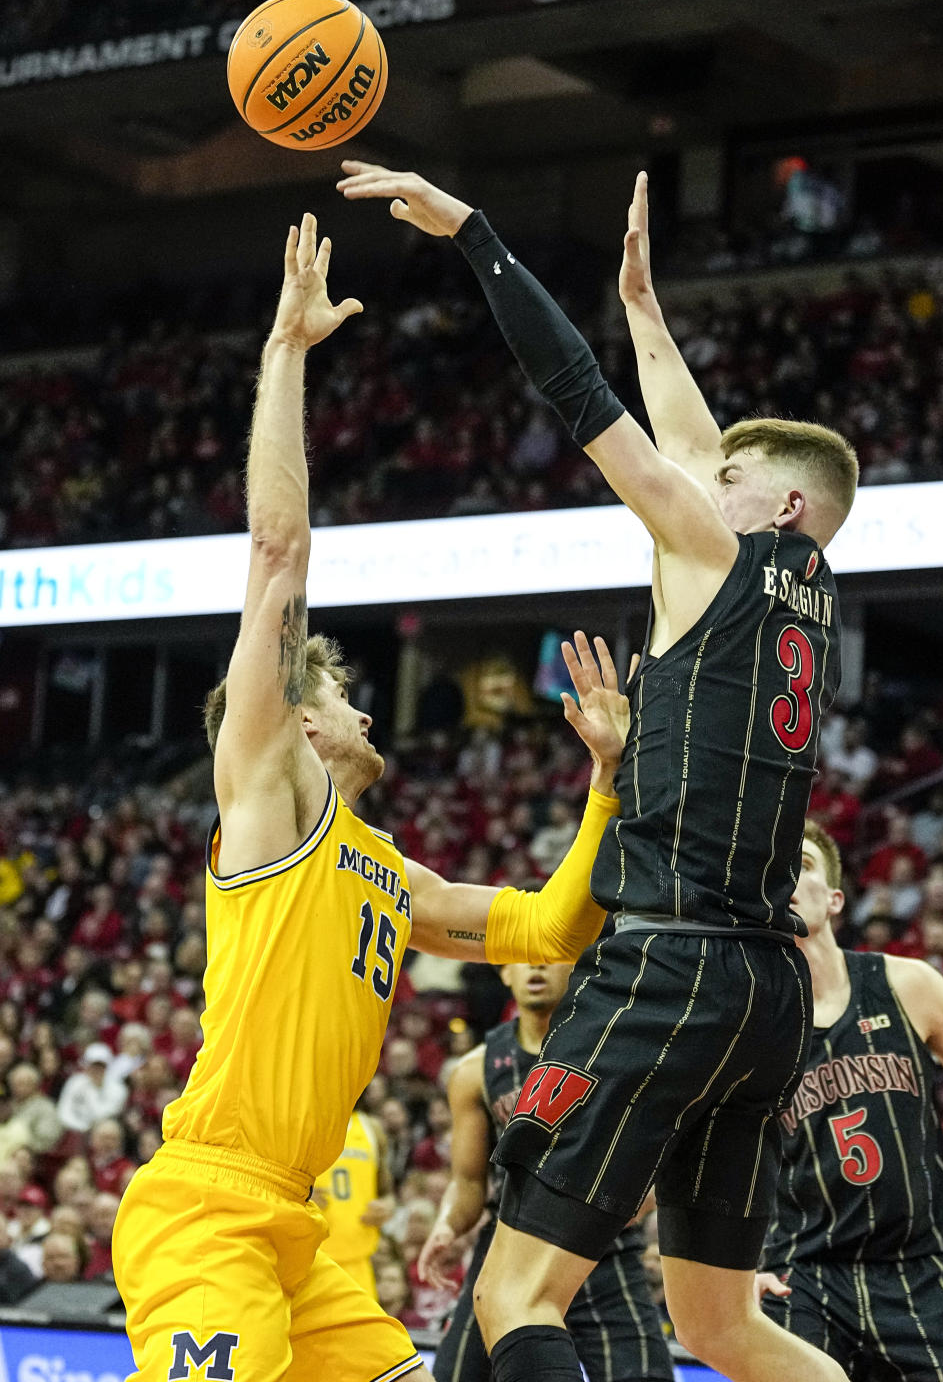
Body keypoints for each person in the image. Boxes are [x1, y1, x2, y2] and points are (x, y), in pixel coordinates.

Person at [339, 162, 859, 1382]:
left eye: (724, 477)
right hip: (767, 994)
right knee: (722, 1330)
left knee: (519, 1291)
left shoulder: (706, 544)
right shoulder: (809, 588)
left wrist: (475, 234)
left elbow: (577, 396)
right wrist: (646, 309)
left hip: (671, 963)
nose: (696, 477)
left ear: (777, 503)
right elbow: (689, 435)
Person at [112, 213, 635, 1382]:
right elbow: (277, 550)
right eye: (346, 695)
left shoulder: (390, 874)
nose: (366, 713)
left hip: (301, 1232)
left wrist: (604, 784)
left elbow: (550, 929)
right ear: (303, 725)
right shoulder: (267, 799)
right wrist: (287, 353)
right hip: (208, 1209)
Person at [756, 820, 943, 1378]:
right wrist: (734, 1270)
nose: (784, 876)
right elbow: (705, 1159)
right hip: (802, 1276)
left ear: (836, 898)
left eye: (801, 863)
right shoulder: (745, 1026)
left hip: (924, 1266)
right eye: (769, 867)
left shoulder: (909, 985)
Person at [420, 961, 673, 1382]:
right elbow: (467, 1183)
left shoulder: (620, 1052)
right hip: (507, 1251)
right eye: (524, 954)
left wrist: (642, 1196)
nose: (536, 963)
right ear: (504, 973)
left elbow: (662, 1155)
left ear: (578, 968)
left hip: (601, 1250)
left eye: (552, 953)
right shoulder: (474, 1070)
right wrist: (447, 1226)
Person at [316, 1109, 396, 1297]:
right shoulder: (297, 1121)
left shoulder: (370, 1128)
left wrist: (385, 1208)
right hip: (308, 1259)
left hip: (359, 1262)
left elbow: (387, 1194)